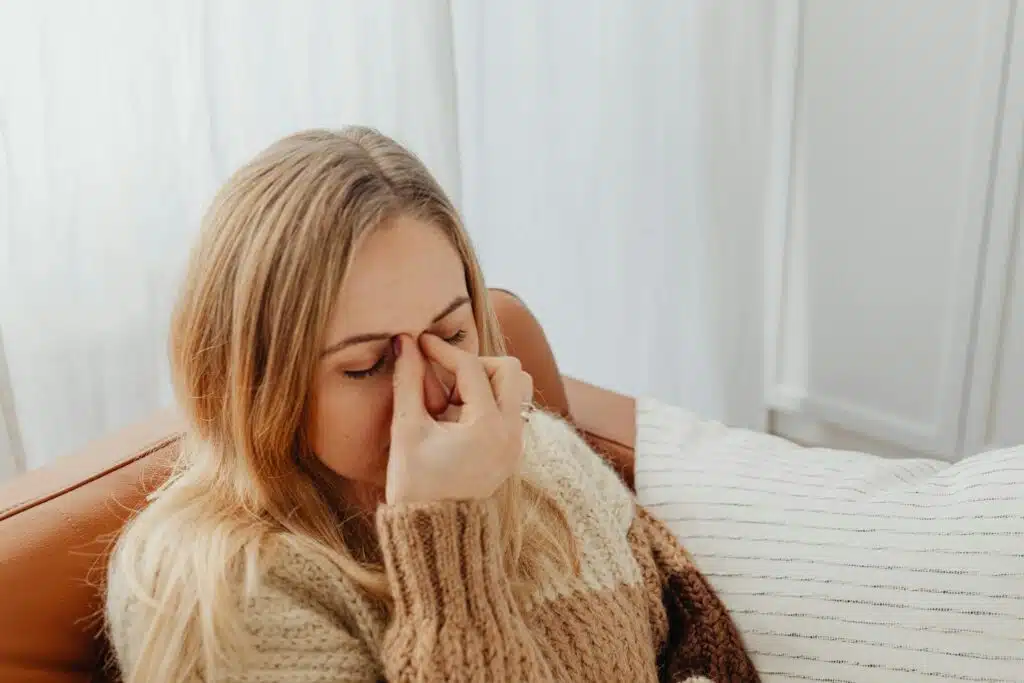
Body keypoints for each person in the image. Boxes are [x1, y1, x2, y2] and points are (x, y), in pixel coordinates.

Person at [104, 127, 759, 683]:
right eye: (366, 365)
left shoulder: (542, 455)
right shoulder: (212, 596)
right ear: (254, 383)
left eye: (450, 335)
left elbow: (692, 631)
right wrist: (445, 533)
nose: (434, 389)